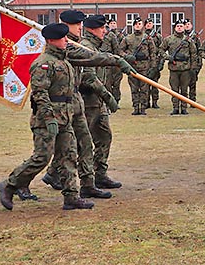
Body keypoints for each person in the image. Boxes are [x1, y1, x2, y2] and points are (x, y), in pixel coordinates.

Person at [0, 23, 94, 211]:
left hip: (65, 117)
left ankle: (71, 196)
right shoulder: (43, 63)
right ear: (51, 40)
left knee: (69, 155)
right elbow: (40, 94)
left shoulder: (64, 62)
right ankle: (9, 185)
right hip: (46, 119)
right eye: (62, 38)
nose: (66, 41)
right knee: (42, 157)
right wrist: (49, 118)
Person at [41, 10, 135, 198]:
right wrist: (116, 64)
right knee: (75, 143)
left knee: (92, 139)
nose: (80, 28)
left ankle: (92, 180)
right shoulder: (71, 46)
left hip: (86, 101)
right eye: (78, 25)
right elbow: (89, 71)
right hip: (81, 100)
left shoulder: (79, 44)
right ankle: (44, 176)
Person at [79, 15, 128, 191]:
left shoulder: (96, 46)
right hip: (88, 101)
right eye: (102, 28)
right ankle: (56, 173)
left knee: (104, 137)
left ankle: (99, 174)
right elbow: (88, 78)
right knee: (82, 142)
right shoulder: (85, 47)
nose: (105, 32)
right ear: (92, 29)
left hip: (98, 101)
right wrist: (108, 96)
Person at [159, 19, 198, 115]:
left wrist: (193, 67)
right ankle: (175, 107)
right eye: (178, 26)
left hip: (185, 68)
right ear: (175, 28)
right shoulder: (169, 39)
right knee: (174, 90)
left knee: (184, 90)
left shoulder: (189, 40)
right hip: (174, 68)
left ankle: (184, 108)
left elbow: (193, 54)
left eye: (181, 26)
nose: (179, 28)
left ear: (184, 27)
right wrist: (167, 57)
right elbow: (161, 50)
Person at [120, 17, 156, 115]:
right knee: (134, 89)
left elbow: (153, 52)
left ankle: (143, 108)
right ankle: (136, 107)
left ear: (142, 26)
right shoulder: (127, 38)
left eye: (139, 24)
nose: (138, 26)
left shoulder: (148, 38)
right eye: (136, 24)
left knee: (144, 89)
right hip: (132, 67)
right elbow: (119, 51)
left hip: (145, 67)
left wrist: (153, 67)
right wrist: (127, 57)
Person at [103, 18, 123, 105]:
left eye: (114, 23)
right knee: (107, 83)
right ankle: (109, 101)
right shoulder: (103, 35)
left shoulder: (115, 35)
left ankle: (116, 100)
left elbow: (117, 49)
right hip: (105, 63)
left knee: (116, 84)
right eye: (111, 23)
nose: (113, 25)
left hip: (114, 62)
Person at [144, 17, 163, 109]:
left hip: (155, 62)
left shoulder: (158, 36)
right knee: (145, 84)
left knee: (155, 84)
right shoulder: (143, 36)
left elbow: (161, 49)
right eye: (147, 24)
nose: (148, 25)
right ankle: (146, 101)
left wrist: (160, 63)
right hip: (145, 63)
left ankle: (155, 101)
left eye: (150, 23)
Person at [184, 18, 202, 102]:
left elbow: (199, 51)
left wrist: (198, 65)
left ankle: (192, 100)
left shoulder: (195, 37)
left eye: (188, 24)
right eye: (185, 25)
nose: (187, 26)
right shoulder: (181, 37)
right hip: (183, 64)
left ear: (191, 26)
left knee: (192, 83)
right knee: (183, 83)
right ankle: (184, 100)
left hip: (193, 64)